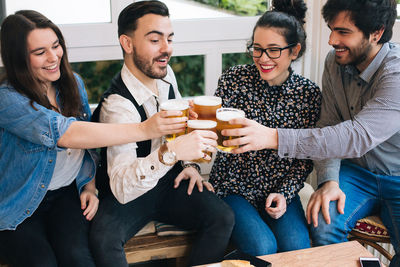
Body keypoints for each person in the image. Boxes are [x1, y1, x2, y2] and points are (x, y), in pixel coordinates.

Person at [0, 10, 211, 267]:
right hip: (17, 202)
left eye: (56, 46)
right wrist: (146, 129)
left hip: (66, 196)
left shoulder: (72, 83)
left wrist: (87, 185)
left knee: (80, 260)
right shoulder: (7, 99)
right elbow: (67, 134)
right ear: (19, 58)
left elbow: (85, 146)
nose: (53, 56)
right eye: (39, 52)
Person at [223, 0, 400, 266]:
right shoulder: (335, 63)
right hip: (355, 174)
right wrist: (329, 179)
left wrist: (273, 137)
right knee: (323, 225)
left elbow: (357, 137)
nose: (331, 40)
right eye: (331, 29)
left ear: (376, 32)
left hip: (397, 176)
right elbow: (328, 125)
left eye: (343, 32)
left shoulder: (395, 74)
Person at [89, 1, 234, 266]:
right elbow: (121, 189)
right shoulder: (117, 106)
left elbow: (181, 132)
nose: (166, 48)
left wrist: (188, 165)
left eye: (169, 38)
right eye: (155, 39)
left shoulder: (167, 78)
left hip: (168, 183)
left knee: (223, 217)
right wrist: (172, 154)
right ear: (128, 43)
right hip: (129, 191)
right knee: (102, 238)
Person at [209, 0, 321, 257]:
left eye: (273, 50)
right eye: (257, 49)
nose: (263, 59)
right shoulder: (233, 79)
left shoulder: (309, 94)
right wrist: (193, 165)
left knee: (297, 248)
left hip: (279, 189)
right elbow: (208, 131)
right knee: (263, 246)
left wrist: (284, 194)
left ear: (295, 51)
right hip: (232, 187)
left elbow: (304, 159)